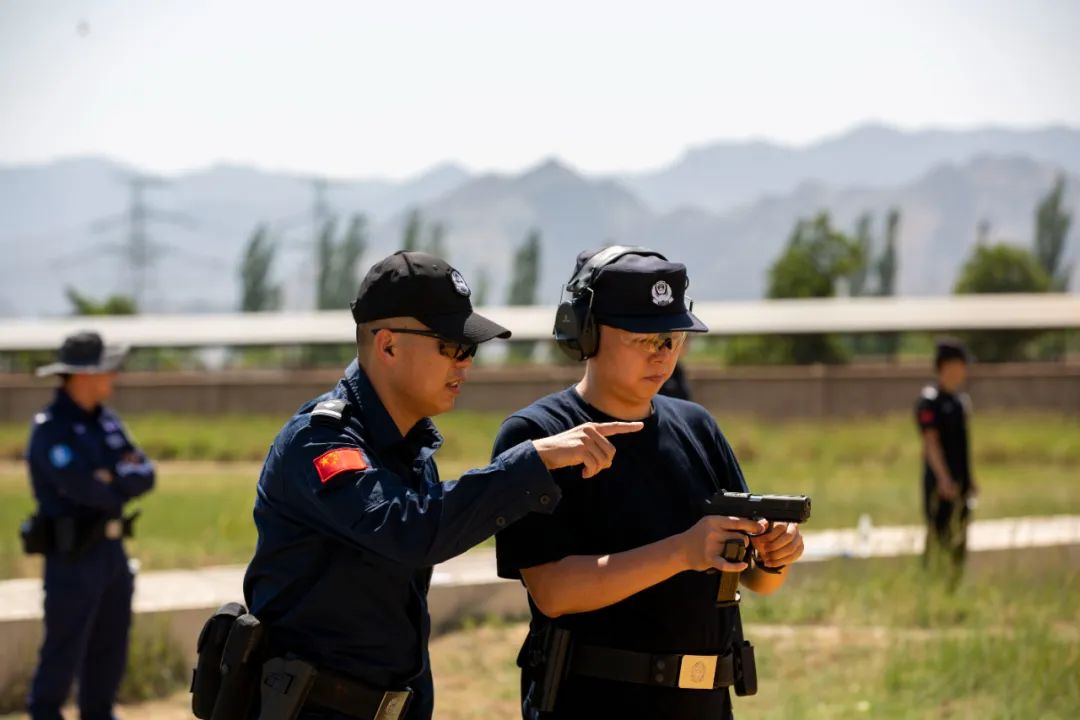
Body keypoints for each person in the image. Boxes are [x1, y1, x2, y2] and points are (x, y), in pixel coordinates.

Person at [240, 251, 641, 720]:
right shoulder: (321, 439)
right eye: (451, 347)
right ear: (388, 346)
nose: (465, 364)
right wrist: (530, 461)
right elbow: (409, 529)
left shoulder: (407, 448)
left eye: (469, 350)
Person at [494, 247, 805, 719]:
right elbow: (553, 591)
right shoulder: (539, 436)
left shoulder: (698, 427)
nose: (663, 354)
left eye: (673, 337)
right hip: (596, 702)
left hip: (704, 704)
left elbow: (756, 580)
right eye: (644, 337)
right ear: (588, 332)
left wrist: (775, 556)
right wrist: (683, 551)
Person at [23, 331, 156, 720]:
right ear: (84, 375)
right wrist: (118, 479)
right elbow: (83, 488)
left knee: (108, 651)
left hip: (111, 554)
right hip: (72, 557)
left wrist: (109, 477)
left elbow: (145, 474)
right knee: (62, 652)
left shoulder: (108, 422)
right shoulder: (51, 428)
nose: (112, 377)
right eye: (106, 369)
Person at [915, 338, 977, 584]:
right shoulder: (930, 401)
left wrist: (970, 480)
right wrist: (943, 478)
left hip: (961, 481)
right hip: (940, 483)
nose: (965, 370)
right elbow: (931, 443)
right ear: (948, 365)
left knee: (959, 537)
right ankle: (930, 583)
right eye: (962, 364)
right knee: (939, 534)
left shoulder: (960, 402)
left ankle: (953, 586)